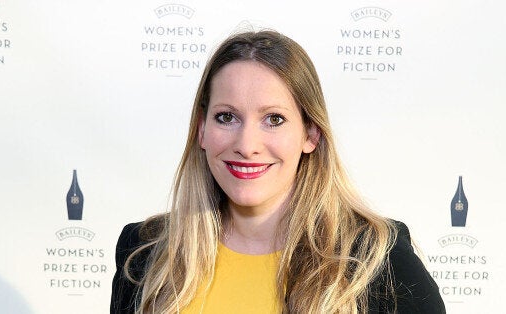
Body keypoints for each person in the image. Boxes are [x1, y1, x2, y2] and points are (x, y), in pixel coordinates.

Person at [111, 30, 445, 313]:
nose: (247, 144)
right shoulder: (144, 252)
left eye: (274, 119)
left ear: (310, 134)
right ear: (201, 129)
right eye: (227, 117)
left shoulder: (378, 260)